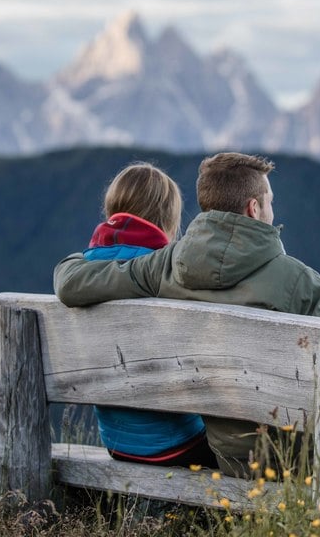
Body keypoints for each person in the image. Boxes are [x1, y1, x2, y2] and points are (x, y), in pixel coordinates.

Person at [54, 152, 320, 476]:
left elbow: (75, 283)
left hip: (227, 453)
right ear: (254, 208)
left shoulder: (164, 265)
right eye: (269, 202)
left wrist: (76, 259)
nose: (273, 211)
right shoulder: (296, 280)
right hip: (293, 457)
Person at [81, 162, 219, 469]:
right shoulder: (170, 273)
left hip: (117, 443)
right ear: (168, 217)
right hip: (176, 443)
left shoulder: (85, 268)